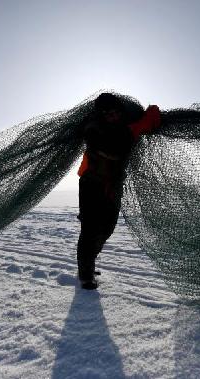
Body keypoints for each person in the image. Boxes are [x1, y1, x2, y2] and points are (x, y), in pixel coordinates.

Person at [76, 93, 161, 290]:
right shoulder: (93, 129)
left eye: (116, 113)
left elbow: (148, 122)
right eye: (108, 114)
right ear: (101, 115)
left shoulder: (125, 124)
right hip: (91, 184)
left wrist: (149, 118)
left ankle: (88, 262)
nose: (113, 117)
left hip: (113, 185)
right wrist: (136, 129)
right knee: (90, 229)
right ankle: (85, 273)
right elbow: (114, 150)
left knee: (107, 227)